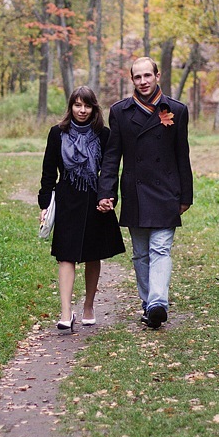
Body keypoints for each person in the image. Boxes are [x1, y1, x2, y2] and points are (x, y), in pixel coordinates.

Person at [97, 57, 193, 329]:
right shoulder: (120, 112)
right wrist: (106, 192)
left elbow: (182, 155)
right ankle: (148, 303)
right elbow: (112, 156)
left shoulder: (176, 110)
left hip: (166, 191)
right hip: (135, 191)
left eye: (147, 75)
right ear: (132, 80)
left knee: (160, 249)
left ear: (157, 76)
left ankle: (157, 304)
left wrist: (186, 195)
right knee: (141, 253)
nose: (143, 81)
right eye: (137, 77)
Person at [39, 86, 125, 332]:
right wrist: (44, 205)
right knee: (65, 255)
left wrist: (108, 197)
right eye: (78, 105)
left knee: (92, 254)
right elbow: (48, 172)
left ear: (94, 108)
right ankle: (66, 312)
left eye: (87, 105)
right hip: (67, 198)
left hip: (94, 199)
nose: (82, 110)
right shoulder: (57, 133)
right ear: (71, 107)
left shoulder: (103, 135)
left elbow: (110, 170)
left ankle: (88, 306)